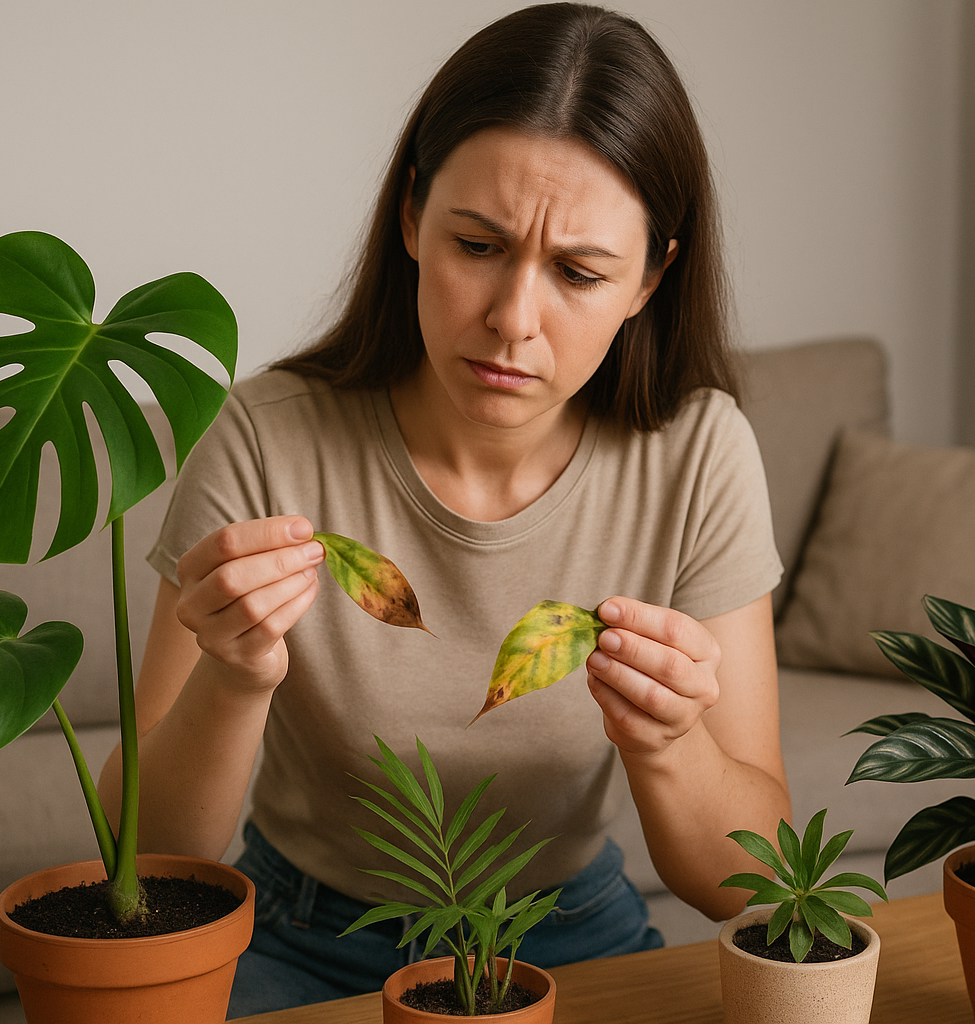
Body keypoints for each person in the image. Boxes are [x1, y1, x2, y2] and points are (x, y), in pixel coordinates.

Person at [96, 3, 790, 1015]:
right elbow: (144, 858)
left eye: (579, 272)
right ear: (412, 216)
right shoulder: (263, 437)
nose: (513, 319)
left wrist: (671, 743)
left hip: (568, 930)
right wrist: (235, 681)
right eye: (478, 244)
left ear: (651, 277)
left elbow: (749, 886)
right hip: (307, 935)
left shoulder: (699, 451)